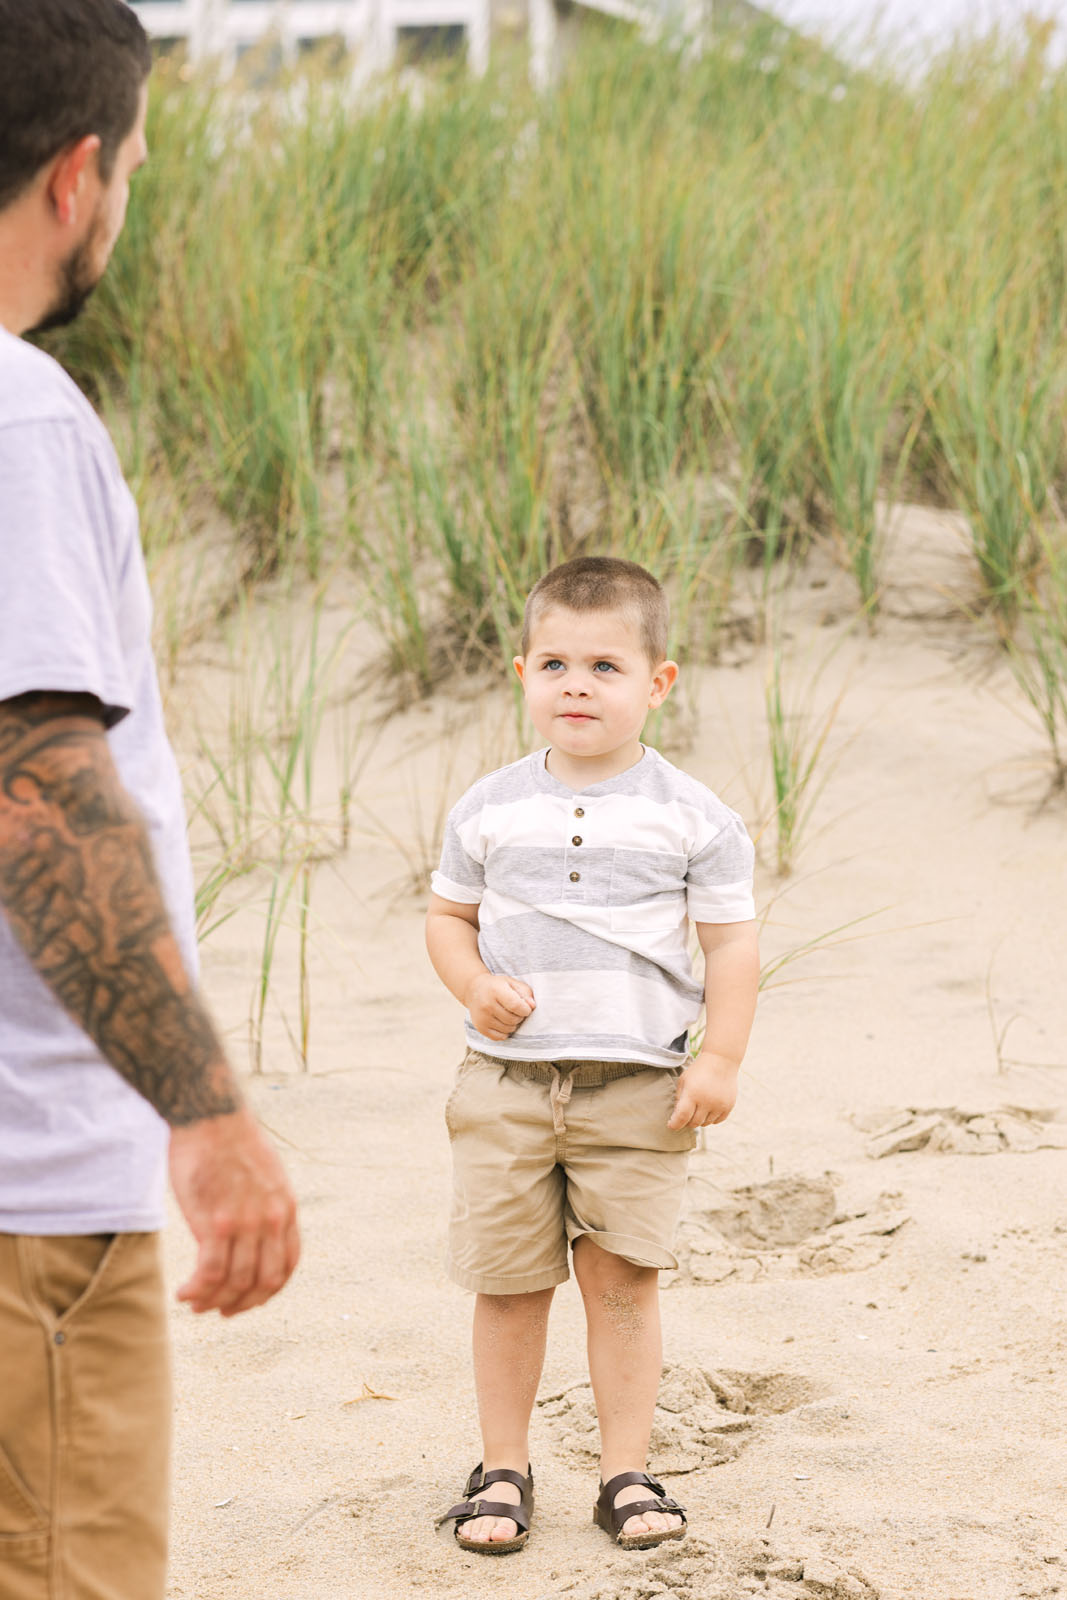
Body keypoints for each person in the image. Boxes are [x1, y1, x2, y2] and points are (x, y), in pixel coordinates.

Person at [0, 5, 300, 1597]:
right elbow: (41, 795)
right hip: (26, 1207)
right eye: (133, 166)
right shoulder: (18, 421)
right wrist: (206, 1112)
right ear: (75, 179)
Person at [426, 556, 759, 1554]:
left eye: (605, 665)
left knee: (621, 1280)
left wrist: (721, 1058)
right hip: (505, 1084)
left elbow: (729, 943)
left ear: (656, 683)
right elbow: (448, 916)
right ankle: (501, 1466)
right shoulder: (487, 805)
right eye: (556, 662)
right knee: (508, 1278)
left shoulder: (692, 815)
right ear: (522, 671)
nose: (576, 683)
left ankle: (624, 1469)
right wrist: (472, 982)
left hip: (637, 1087)